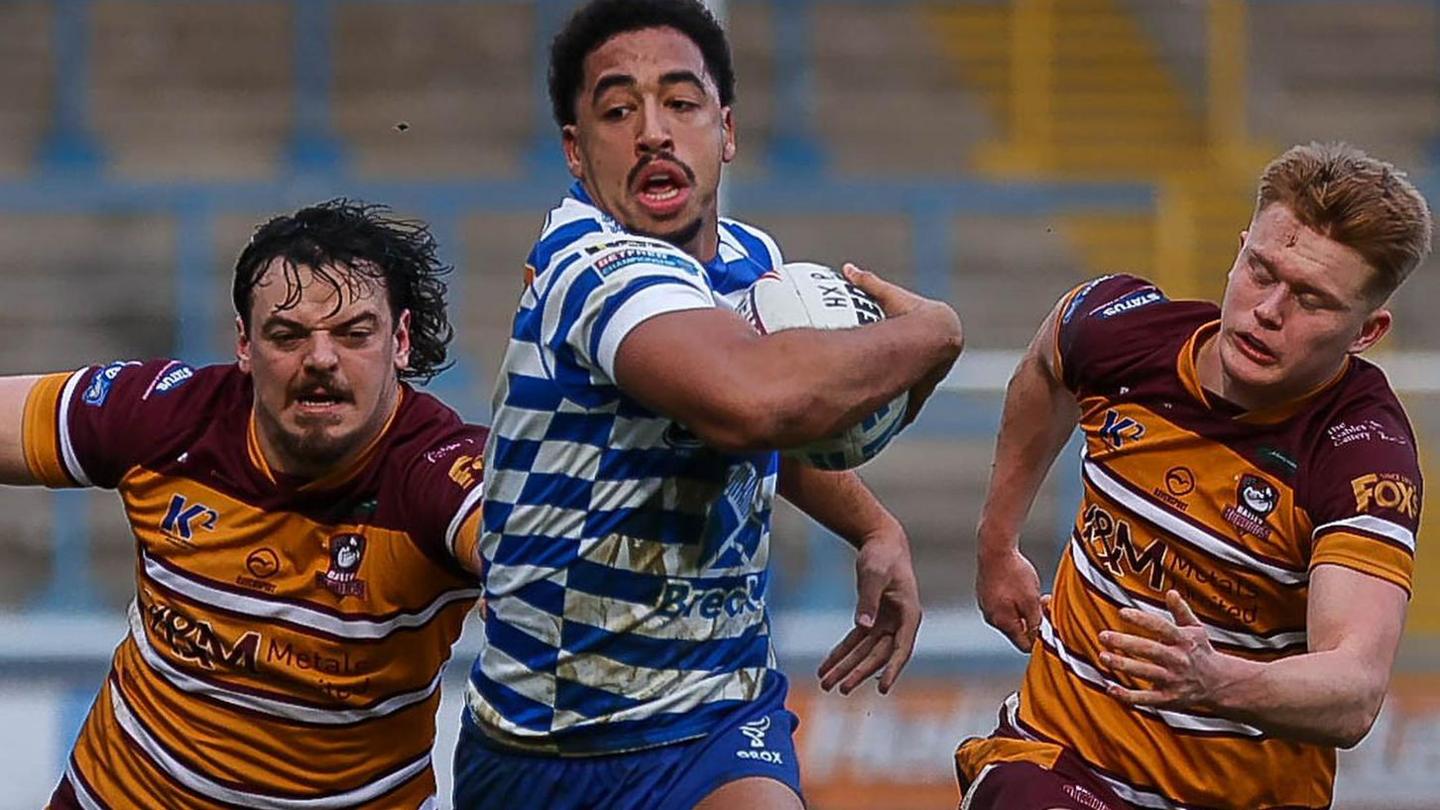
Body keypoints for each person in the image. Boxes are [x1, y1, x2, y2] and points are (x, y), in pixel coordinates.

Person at [452, 1, 964, 808]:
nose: (653, 131)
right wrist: (934, 334)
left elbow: (778, 421)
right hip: (548, 741)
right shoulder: (592, 270)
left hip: (716, 718)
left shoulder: (752, 264)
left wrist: (872, 525)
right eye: (618, 110)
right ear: (576, 154)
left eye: (681, 104)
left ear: (725, 132)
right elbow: (752, 403)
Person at [958, 142, 1432, 810]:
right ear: (1239, 249)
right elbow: (1046, 362)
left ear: (1367, 331)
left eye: (1311, 300)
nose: (1268, 309)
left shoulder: (1359, 453)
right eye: (1261, 269)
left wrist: (1216, 682)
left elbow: (1354, 690)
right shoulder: (1124, 336)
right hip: (1059, 764)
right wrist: (996, 543)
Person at [2, 200, 489, 809]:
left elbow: (516, 538)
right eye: (287, 335)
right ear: (244, 344)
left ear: (401, 340)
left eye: (354, 333)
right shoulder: (170, 420)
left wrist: (533, 578)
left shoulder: (437, 470)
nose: (320, 359)